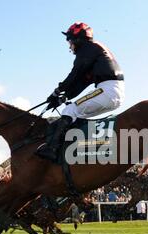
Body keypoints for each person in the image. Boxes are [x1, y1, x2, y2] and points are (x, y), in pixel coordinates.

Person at [36, 22, 125, 162]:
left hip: (108, 90)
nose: (69, 45)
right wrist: (63, 98)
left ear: (78, 39)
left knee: (71, 110)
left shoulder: (88, 49)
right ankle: (74, 148)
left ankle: (52, 149)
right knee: (73, 113)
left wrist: (56, 92)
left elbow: (74, 74)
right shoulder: (94, 52)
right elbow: (81, 83)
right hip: (112, 91)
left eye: (70, 40)